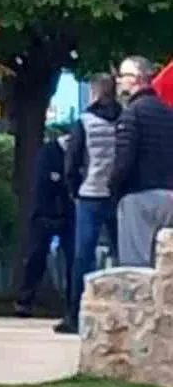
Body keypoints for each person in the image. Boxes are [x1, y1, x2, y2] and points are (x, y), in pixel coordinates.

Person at [61, 73, 121, 334]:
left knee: (83, 256)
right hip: (117, 196)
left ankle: (75, 315)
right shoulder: (125, 119)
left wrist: (73, 189)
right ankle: (119, 313)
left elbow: (72, 162)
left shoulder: (84, 122)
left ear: (94, 92)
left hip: (89, 194)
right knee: (121, 255)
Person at [110, 56, 173, 267]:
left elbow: (124, 160)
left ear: (137, 79)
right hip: (169, 197)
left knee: (136, 268)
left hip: (139, 197)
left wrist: (114, 189)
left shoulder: (132, 114)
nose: (118, 81)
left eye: (122, 76)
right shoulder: (168, 112)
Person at [16, 127, 73, 320]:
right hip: (45, 213)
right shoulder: (49, 152)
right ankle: (24, 300)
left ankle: (72, 303)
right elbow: (45, 182)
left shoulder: (77, 152)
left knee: (73, 258)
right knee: (36, 257)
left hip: (69, 213)